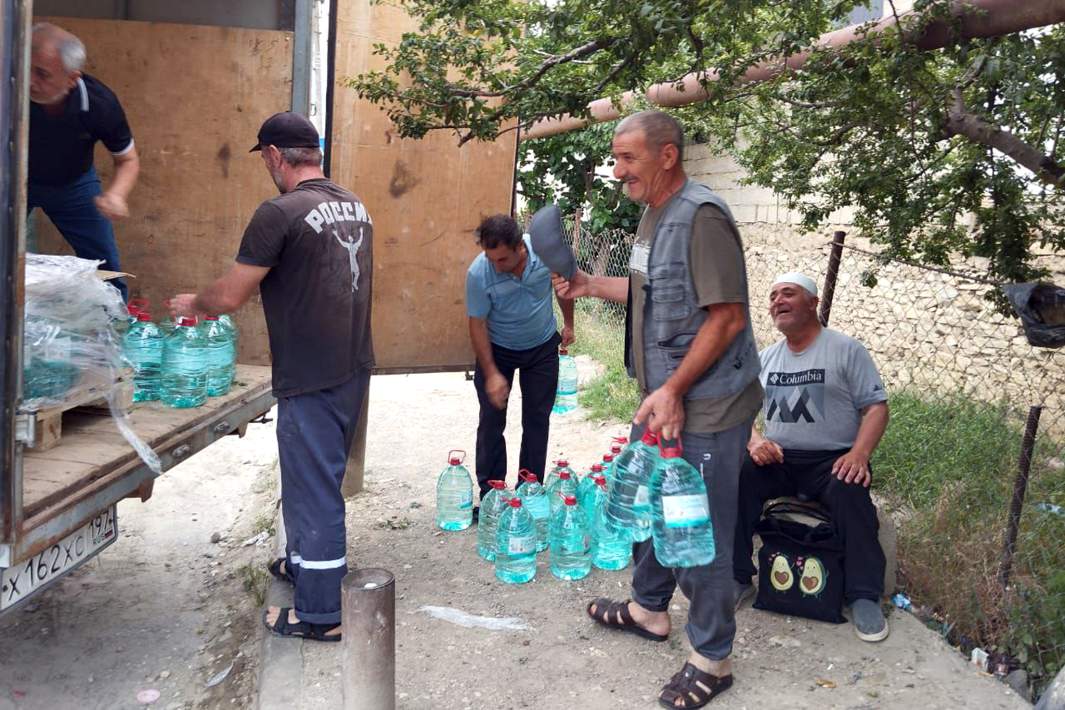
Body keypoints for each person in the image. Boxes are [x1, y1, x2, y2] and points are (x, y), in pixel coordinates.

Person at [553, 110, 762, 709]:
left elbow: (728, 316)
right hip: (664, 402)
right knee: (650, 505)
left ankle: (713, 659)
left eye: (628, 159)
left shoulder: (702, 217)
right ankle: (649, 609)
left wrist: (673, 390)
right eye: (616, 159)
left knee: (699, 532)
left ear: (667, 156)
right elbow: (650, 293)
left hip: (707, 406)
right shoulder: (652, 215)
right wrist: (593, 285)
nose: (618, 171)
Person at [170, 112, 373, 642]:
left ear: (274, 156)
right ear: (315, 152)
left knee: (314, 490)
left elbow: (233, 294)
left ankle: (323, 614)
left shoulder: (278, 212)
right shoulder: (354, 205)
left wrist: (196, 302)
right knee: (309, 481)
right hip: (351, 366)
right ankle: (306, 568)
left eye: (264, 157)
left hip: (309, 372)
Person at [732, 272, 891, 642]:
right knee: (737, 477)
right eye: (772, 296)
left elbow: (877, 408)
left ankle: (864, 595)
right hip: (780, 459)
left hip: (832, 459)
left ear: (813, 303)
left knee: (852, 492)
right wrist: (754, 441)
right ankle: (736, 577)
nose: (778, 301)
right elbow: (740, 411)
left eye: (788, 293)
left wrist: (859, 454)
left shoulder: (846, 349)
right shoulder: (766, 358)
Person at [466, 214, 574, 506]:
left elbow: (563, 287)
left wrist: (569, 323)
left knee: (537, 419)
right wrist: (491, 374)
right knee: (491, 420)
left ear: (520, 249)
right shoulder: (479, 273)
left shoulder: (544, 254)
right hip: (499, 349)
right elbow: (477, 324)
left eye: (501, 259)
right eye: (490, 258)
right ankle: (492, 493)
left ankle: (530, 488)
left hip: (541, 346)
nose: (495, 265)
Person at [28, 23, 139, 301]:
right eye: (25, 68)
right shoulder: (9, 88)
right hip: (13, 183)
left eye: (42, 74)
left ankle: (111, 336)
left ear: (71, 78)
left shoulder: (100, 104)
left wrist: (116, 195)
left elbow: (127, 159)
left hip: (74, 186)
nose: (30, 81)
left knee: (107, 271)